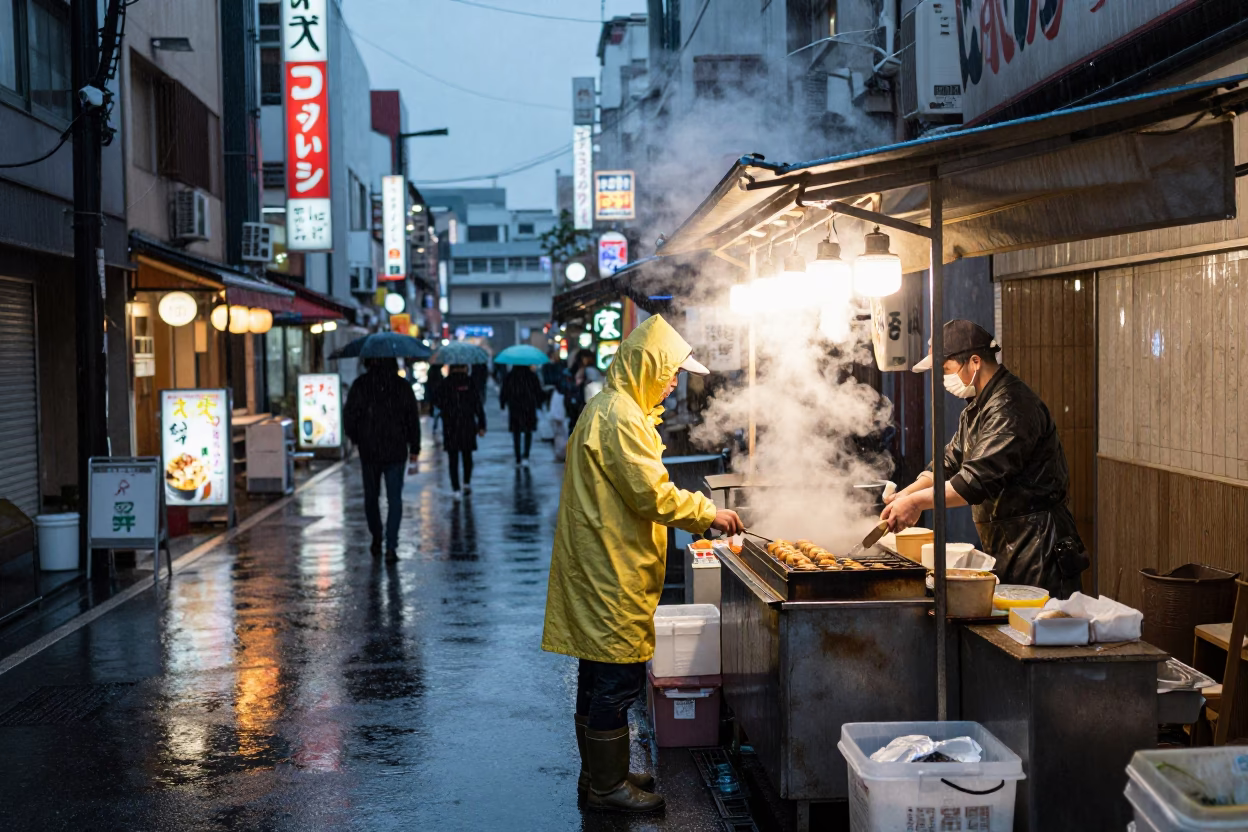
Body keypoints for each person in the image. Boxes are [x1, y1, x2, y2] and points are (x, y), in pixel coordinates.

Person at [542, 315, 744, 814]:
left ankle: (599, 775)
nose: (674, 383)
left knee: (596, 677)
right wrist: (708, 514)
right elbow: (650, 494)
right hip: (611, 569)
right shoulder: (621, 417)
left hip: (601, 563)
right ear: (647, 367)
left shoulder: (610, 408)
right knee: (616, 681)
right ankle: (607, 788)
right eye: (671, 372)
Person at [882, 320, 1089, 598]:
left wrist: (916, 503)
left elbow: (975, 482)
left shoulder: (1010, 406)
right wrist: (904, 496)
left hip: (1039, 548)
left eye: (946, 370)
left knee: (1037, 631)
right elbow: (948, 464)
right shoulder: (978, 408)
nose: (943, 379)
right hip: (1009, 543)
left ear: (975, 362)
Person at [343, 356, 421, 561]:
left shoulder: (361, 385)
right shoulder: (402, 386)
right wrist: (415, 448)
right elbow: (413, 417)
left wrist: (357, 437)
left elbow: (349, 416)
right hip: (396, 449)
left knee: (371, 497)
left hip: (369, 450)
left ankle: (377, 537)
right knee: (394, 499)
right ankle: (391, 546)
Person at [430, 364, 486, 500]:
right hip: (468, 424)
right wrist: (482, 425)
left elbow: (436, 401)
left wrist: (447, 407)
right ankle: (466, 482)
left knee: (453, 458)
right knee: (467, 456)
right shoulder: (470, 382)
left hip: (451, 425)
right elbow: (478, 404)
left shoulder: (445, 383)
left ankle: (455, 488)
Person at [499, 364, 544, 467]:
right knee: (528, 432)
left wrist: (502, 403)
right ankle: (526, 456)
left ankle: (518, 457)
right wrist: (539, 403)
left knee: (516, 432)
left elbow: (504, 390)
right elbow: (538, 391)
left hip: (515, 407)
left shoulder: (510, 375)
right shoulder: (532, 376)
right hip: (529, 407)